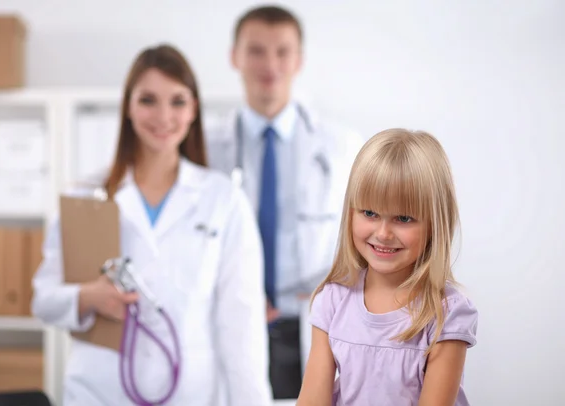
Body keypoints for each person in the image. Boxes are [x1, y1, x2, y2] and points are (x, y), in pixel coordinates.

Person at [31, 44, 273, 406]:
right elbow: (43, 300)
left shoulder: (223, 200)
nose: (163, 116)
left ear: (193, 110)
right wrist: (86, 297)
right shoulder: (85, 195)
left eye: (177, 101)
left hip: (190, 393)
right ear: (128, 106)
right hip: (99, 392)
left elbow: (242, 327)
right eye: (148, 100)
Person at [205, 5, 364, 399]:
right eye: (256, 50)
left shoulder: (342, 148)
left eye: (282, 51)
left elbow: (365, 245)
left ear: (299, 59)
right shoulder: (205, 148)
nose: (270, 64)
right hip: (230, 322)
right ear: (235, 56)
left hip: (309, 326)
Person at [296, 129, 479, 405]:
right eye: (369, 213)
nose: (383, 233)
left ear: (435, 225)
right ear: (351, 213)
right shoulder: (332, 302)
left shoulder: (446, 315)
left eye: (403, 218)